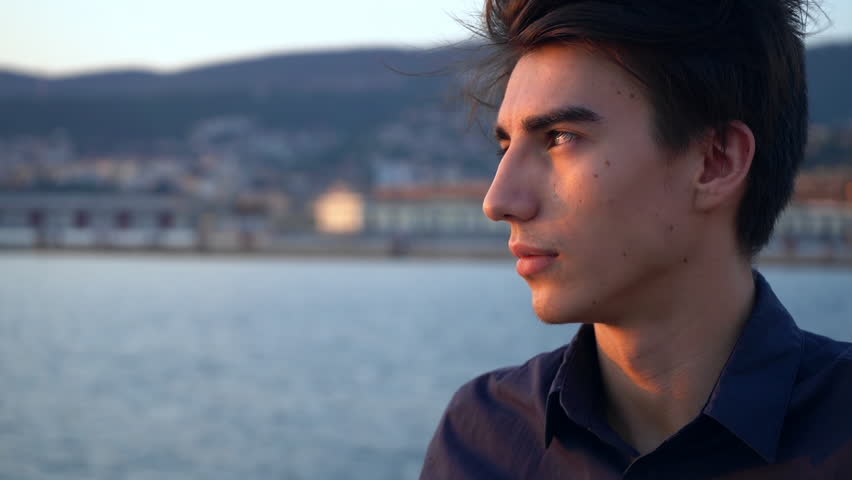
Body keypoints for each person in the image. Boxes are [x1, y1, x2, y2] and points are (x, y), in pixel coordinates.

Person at [420, 1, 852, 478]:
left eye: (560, 137)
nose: (498, 200)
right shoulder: (483, 437)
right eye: (505, 147)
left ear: (716, 161)